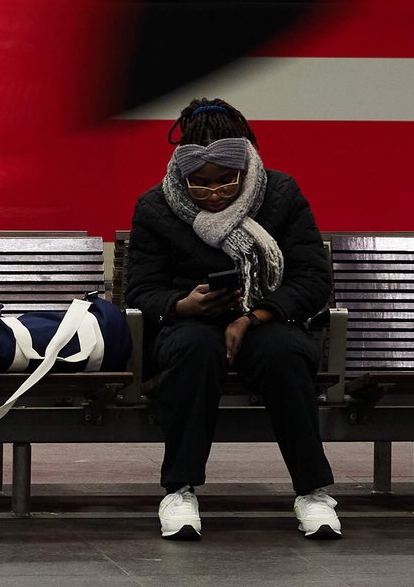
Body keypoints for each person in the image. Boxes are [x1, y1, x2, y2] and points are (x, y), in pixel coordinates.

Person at [125, 98, 339, 541]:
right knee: (194, 350)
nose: (214, 190)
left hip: (265, 317)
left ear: (246, 165)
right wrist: (184, 304)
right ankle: (179, 489)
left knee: (285, 353)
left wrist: (254, 316)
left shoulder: (281, 195)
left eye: (225, 180)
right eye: (200, 183)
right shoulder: (156, 206)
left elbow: (313, 279)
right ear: (182, 173)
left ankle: (312, 492)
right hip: (186, 323)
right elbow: (141, 291)